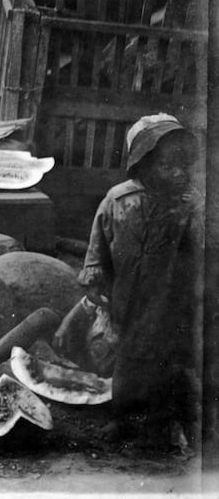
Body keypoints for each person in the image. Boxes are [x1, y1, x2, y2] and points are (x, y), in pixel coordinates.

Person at [78, 114, 201, 451]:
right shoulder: (118, 200)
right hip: (126, 296)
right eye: (167, 166)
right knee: (128, 360)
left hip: (169, 300)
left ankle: (158, 426)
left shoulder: (187, 208)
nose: (178, 173)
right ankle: (123, 417)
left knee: (166, 364)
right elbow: (98, 243)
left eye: (183, 166)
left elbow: (198, 255)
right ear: (142, 165)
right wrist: (93, 275)